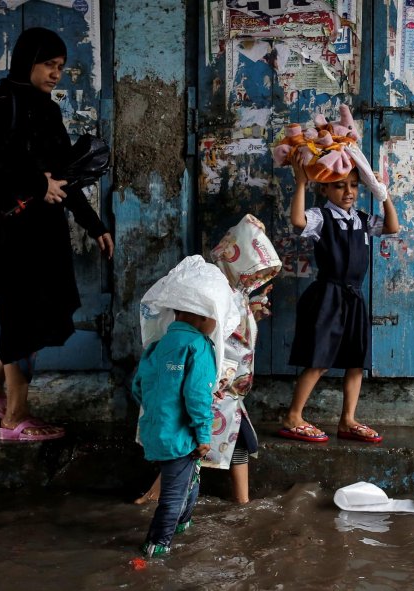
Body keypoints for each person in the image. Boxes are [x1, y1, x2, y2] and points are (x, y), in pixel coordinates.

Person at [0, 27, 113, 441]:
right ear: (28, 60)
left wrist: (93, 223)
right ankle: (14, 418)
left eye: (61, 67)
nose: (56, 73)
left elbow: (63, 173)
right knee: (19, 313)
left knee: (46, 311)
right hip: (4, 227)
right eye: (49, 64)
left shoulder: (45, 108)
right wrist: (34, 182)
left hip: (38, 229)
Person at [134, 215, 281, 505]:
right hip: (214, 383)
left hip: (231, 386)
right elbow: (215, 338)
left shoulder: (236, 293)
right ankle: (161, 493)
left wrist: (254, 311)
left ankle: (242, 502)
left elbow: (239, 330)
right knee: (197, 440)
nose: (253, 279)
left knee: (232, 439)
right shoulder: (212, 293)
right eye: (252, 272)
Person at [279, 143, 399, 443]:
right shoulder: (321, 217)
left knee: (356, 361)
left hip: (354, 297)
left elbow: (392, 227)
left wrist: (381, 193)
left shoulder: (361, 218)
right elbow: (297, 221)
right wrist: (301, 183)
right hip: (328, 295)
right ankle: (293, 416)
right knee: (319, 359)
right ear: (325, 189)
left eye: (354, 186)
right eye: (340, 186)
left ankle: (348, 420)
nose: (349, 192)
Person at [132, 309, 218, 558]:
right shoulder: (198, 345)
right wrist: (203, 433)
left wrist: (160, 413)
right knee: (173, 495)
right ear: (202, 316)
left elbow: (139, 385)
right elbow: (198, 394)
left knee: (188, 478)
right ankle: (155, 547)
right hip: (182, 433)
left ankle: (183, 524)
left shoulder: (158, 344)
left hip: (157, 428)